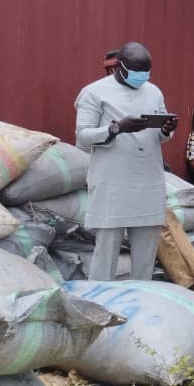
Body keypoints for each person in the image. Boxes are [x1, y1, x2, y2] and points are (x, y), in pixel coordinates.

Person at [98, 49, 194, 290]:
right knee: (161, 221)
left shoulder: (146, 95)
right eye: (110, 68)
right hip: (111, 184)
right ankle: (189, 276)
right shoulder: (100, 96)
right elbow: (88, 137)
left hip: (141, 177)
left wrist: (164, 129)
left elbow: (155, 138)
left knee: (165, 217)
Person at [76, 42, 176, 281]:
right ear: (119, 67)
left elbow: (161, 136)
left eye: (146, 72)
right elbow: (82, 137)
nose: (142, 77)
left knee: (145, 257)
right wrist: (117, 128)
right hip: (113, 183)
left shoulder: (154, 91)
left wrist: (166, 129)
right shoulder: (94, 92)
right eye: (136, 71)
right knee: (106, 254)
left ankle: (139, 302)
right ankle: (99, 303)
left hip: (148, 181)